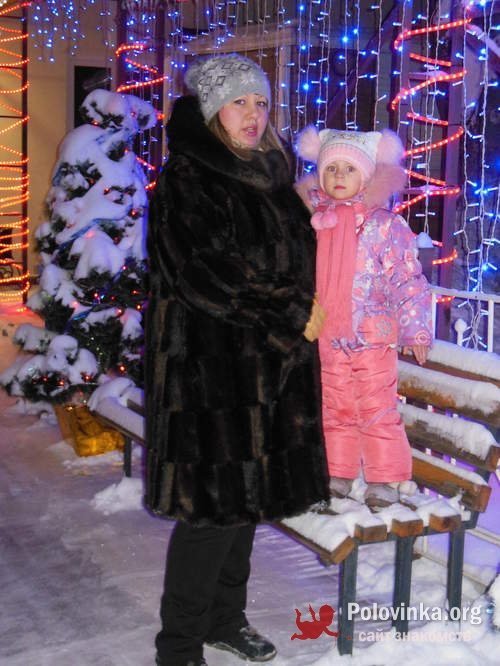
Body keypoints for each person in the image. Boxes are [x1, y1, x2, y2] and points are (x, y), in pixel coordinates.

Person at [145, 54, 330, 666]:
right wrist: (290, 310)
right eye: (239, 102)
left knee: (246, 506)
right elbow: (204, 275)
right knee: (211, 515)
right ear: (210, 110)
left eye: (261, 102)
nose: (254, 114)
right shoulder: (187, 179)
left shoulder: (270, 176)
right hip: (210, 375)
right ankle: (179, 647)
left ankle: (227, 619)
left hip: (269, 371)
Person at [295, 126, 432, 510]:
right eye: (331, 169)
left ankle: (384, 478)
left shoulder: (384, 225)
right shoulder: (315, 222)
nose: (339, 176)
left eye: (349, 169)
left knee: (376, 407)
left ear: (367, 177)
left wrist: (417, 329)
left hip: (372, 336)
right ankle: (338, 471)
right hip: (328, 333)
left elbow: (408, 279)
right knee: (334, 405)